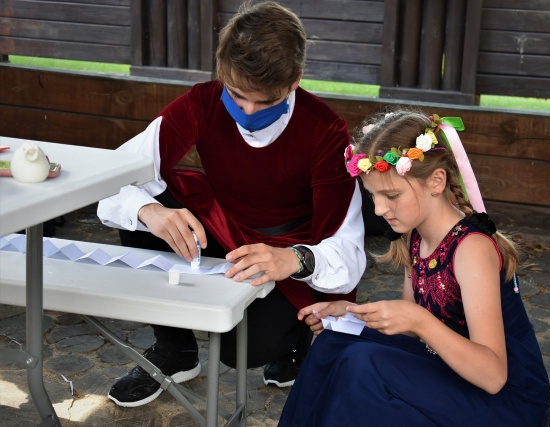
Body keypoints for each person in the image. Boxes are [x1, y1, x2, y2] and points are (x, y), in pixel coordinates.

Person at [96, 1, 366, 407]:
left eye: (265, 101)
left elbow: (347, 247)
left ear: (294, 82)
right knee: (143, 204)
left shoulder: (325, 131)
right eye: (237, 96)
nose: (248, 112)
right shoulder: (203, 102)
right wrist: (149, 212)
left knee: (241, 349)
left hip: (288, 249)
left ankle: (295, 340)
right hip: (223, 227)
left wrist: (293, 259)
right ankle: (174, 350)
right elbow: (113, 175)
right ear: (222, 73)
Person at [278, 110, 550, 426]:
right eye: (372, 196)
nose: (379, 209)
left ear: (436, 181)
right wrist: (354, 313)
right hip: (446, 365)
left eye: (391, 195)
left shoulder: (472, 250)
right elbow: (410, 325)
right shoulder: (416, 235)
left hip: (501, 399)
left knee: (362, 363)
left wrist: (420, 321)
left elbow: (493, 376)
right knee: (332, 343)